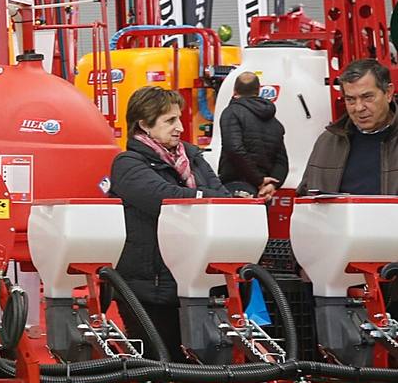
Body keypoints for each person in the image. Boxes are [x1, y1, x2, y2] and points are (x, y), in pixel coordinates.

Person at [109, 86, 235, 360]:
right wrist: (203, 197)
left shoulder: (193, 158)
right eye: (169, 120)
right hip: (150, 289)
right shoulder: (128, 164)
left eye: (178, 118)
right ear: (144, 125)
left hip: (198, 281)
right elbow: (167, 200)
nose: (179, 127)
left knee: (205, 364)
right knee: (161, 365)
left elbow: (225, 200)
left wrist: (203, 198)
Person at [300, 59, 398, 194]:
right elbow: (305, 196)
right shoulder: (328, 142)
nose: (358, 108)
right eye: (350, 99)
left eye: (367, 97)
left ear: (388, 93)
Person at [217, 71, 287, 198]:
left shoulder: (232, 113)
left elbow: (234, 150)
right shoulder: (275, 122)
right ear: (258, 91)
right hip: (264, 192)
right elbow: (282, 161)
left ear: (234, 91)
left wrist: (259, 180)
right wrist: (272, 184)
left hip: (236, 186)